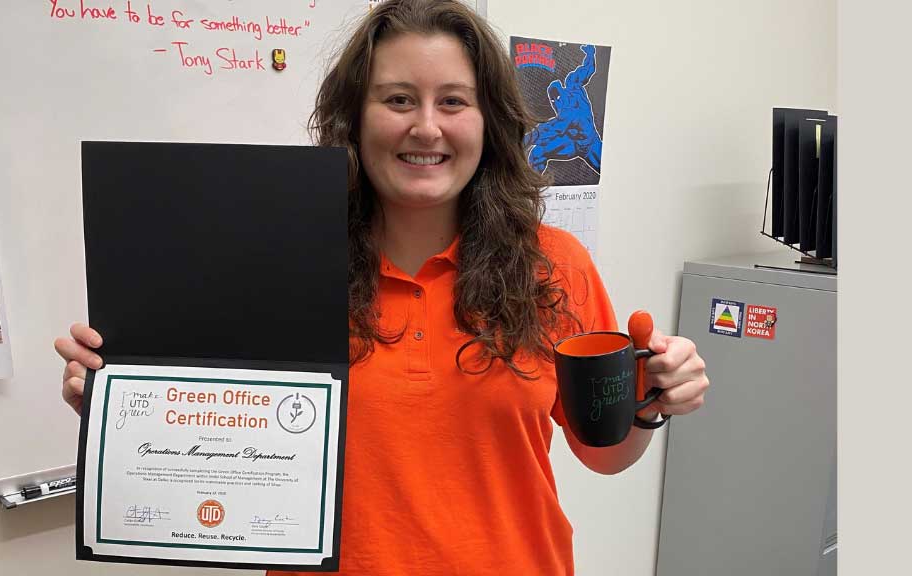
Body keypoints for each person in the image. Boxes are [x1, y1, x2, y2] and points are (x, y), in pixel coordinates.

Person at [54, 1, 709, 574]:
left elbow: (604, 455)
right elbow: (222, 434)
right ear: (355, 118)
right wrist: (126, 406)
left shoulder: (554, 265)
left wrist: (650, 401)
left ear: (488, 122)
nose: (426, 127)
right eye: (398, 99)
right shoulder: (278, 266)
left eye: (453, 101)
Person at [524, 44, 604, 176]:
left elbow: (553, 128)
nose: (555, 102)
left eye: (556, 98)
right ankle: (532, 189)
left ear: (562, 90)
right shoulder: (560, 104)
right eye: (553, 100)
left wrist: (590, 54)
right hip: (571, 142)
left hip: (590, 143)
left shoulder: (573, 87)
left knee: (606, 167)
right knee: (538, 153)